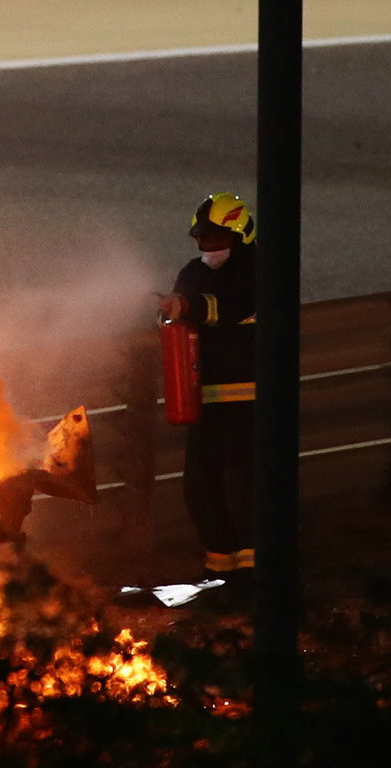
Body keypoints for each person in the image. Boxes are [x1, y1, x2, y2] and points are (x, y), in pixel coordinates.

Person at [158, 192, 257, 588]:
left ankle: (255, 575)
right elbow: (182, 314)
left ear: (240, 235)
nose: (207, 247)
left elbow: (232, 306)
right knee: (199, 487)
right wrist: (167, 310)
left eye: (216, 239)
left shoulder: (257, 269)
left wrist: (188, 306)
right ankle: (219, 573)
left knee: (246, 486)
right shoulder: (192, 272)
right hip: (206, 400)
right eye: (202, 239)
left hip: (251, 398)